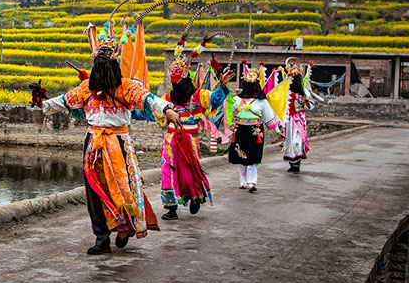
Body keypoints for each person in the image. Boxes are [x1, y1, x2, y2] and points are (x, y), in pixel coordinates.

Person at [43, 26, 182, 255]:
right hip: (93, 144)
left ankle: (125, 227)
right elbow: (63, 101)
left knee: (124, 189)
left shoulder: (126, 87)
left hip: (118, 143)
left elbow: (148, 99)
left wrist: (167, 109)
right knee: (95, 192)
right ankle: (102, 238)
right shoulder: (86, 89)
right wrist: (41, 103)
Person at [159, 41, 235, 220]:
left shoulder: (198, 96)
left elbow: (214, 100)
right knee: (166, 171)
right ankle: (170, 206)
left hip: (190, 141)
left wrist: (222, 86)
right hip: (170, 141)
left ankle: (195, 197)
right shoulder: (167, 98)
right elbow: (151, 110)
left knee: (191, 171)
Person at [225, 63, 283, 192]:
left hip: (255, 130)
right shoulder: (237, 99)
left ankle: (251, 182)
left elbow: (269, 117)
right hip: (240, 129)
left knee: (253, 156)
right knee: (241, 155)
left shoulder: (262, 101)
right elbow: (228, 110)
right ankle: (243, 181)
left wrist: (278, 131)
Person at [281, 61, 315, 173]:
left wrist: (305, 102)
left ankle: (297, 163)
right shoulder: (286, 91)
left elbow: (311, 106)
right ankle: (292, 163)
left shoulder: (304, 92)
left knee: (297, 141)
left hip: (298, 119)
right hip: (288, 119)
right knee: (289, 141)